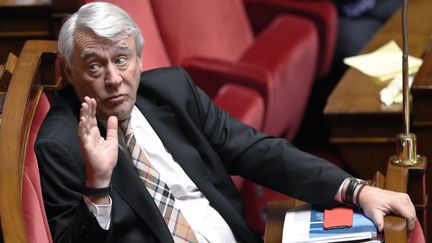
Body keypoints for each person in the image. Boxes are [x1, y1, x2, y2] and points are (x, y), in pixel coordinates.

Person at [35, 2, 416, 243]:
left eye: (121, 59)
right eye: (94, 66)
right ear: (68, 71)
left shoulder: (170, 90)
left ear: (138, 57)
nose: (114, 79)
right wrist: (98, 185)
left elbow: (254, 149)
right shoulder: (60, 143)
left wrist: (355, 189)